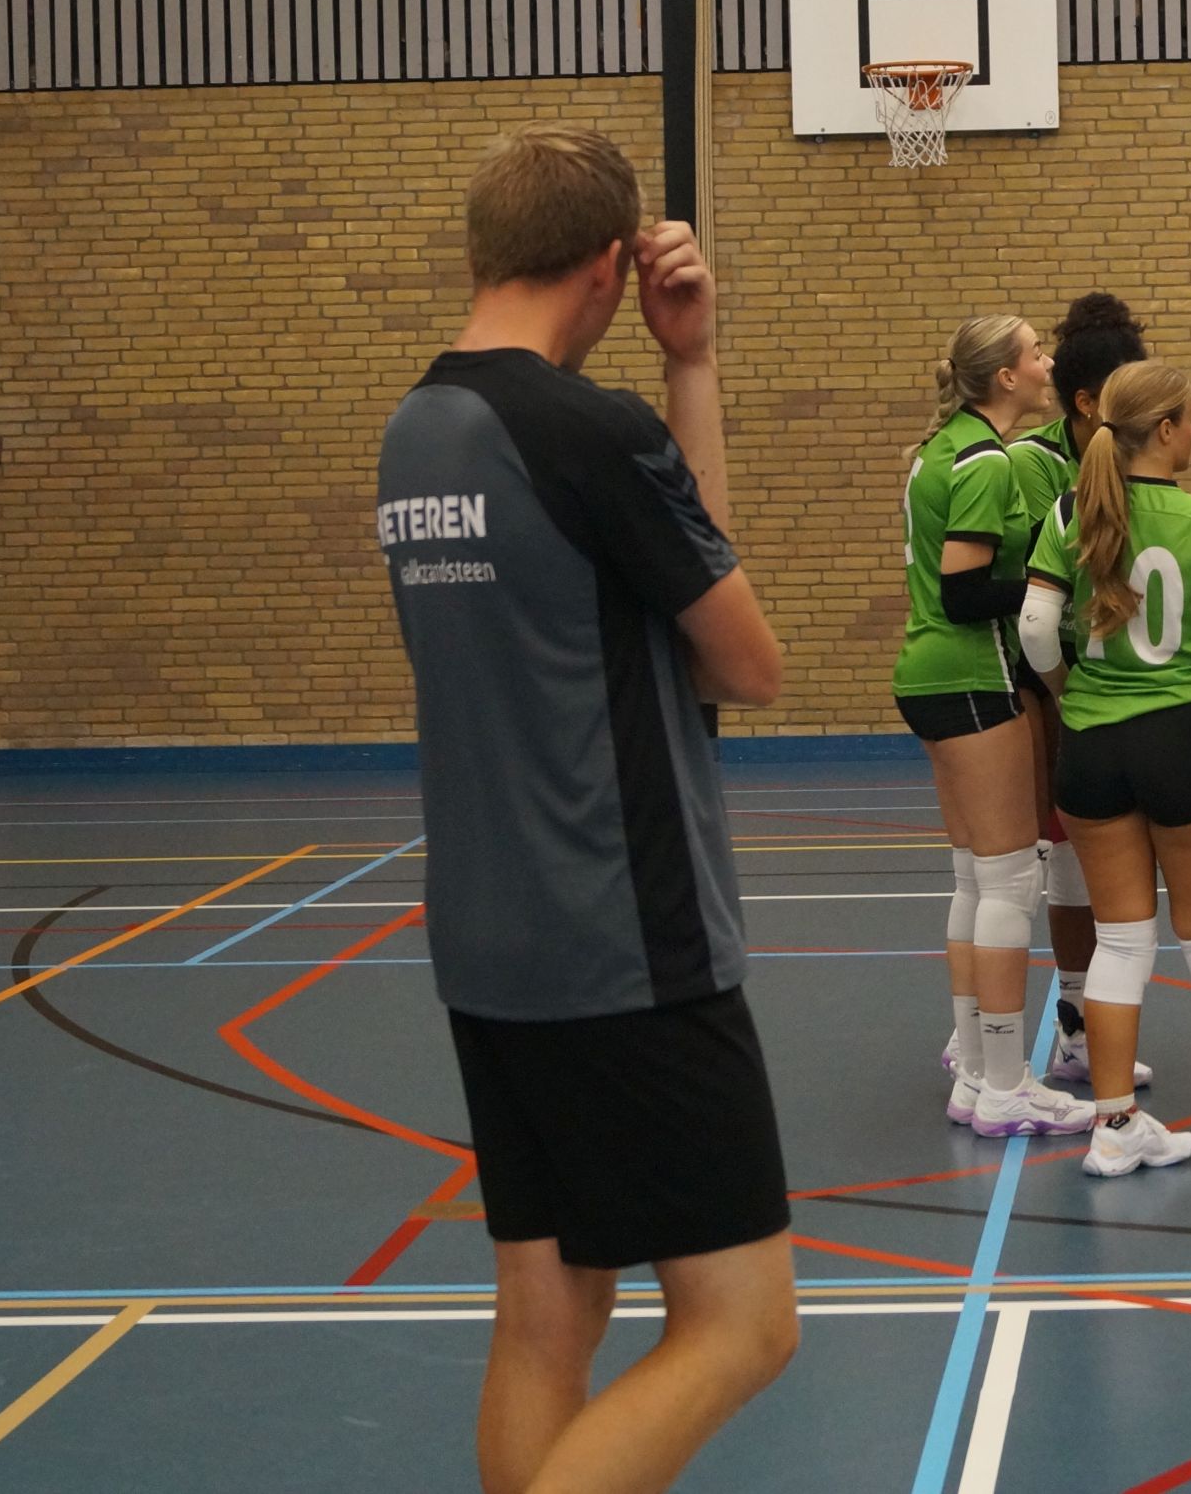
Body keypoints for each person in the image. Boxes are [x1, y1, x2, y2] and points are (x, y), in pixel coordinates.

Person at [376, 124, 794, 1494]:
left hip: (488, 938)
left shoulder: (417, 430)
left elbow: (672, 581)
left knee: (550, 1316)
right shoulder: (584, 431)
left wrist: (690, 366)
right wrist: (676, 384)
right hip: (626, 936)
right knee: (743, 1323)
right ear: (611, 265)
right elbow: (742, 663)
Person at [1018, 361, 1191, 1175]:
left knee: (1121, 941)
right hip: (1185, 738)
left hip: (1093, 743)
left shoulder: (1070, 510)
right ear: (1164, 430)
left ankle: (1115, 1124)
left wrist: (1069, 689)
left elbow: (1034, 628)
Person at [896, 316, 1094, 1141]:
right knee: (1009, 881)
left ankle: (979, 1070)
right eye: (1035, 352)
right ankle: (1008, 1084)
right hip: (973, 675)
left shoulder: (939, 450)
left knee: (976, 880)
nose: (1048, 362)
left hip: (931, 674)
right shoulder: (983, 460)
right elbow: (964, 591)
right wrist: (1055, 583)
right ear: (1006, 376)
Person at [1006, 293, 1154, 1091]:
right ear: (1090, 401)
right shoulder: (1034, 463)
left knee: (1122, 857)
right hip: (1054, 680)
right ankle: (1068, 1022)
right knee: (1055, 855)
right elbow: (1059, 573)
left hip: (1129, 681)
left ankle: (1098, 1016)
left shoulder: (1138, 453)